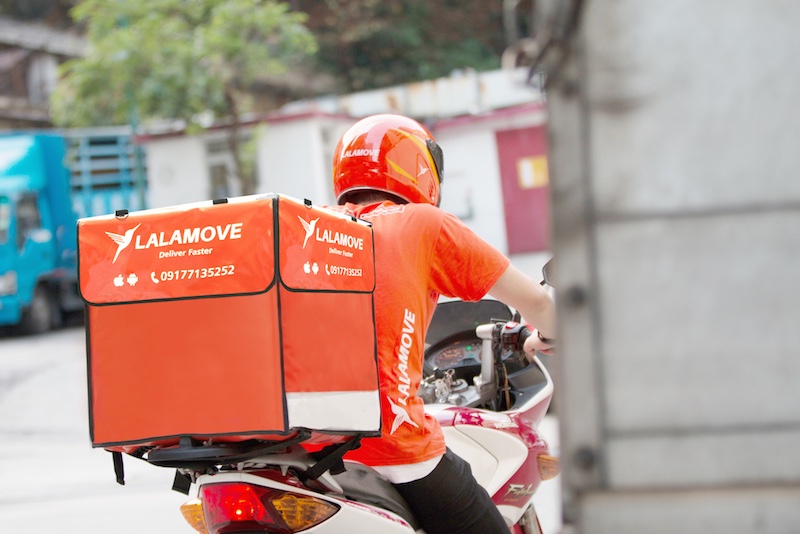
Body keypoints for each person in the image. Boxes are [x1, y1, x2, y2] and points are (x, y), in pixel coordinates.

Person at [329, 114, 556, 534]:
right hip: (392, 447)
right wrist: (549, 333)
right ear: (421, 167)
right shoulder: (423, 224)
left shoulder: (316, 228)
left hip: (310, 449)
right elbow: (537, 300)